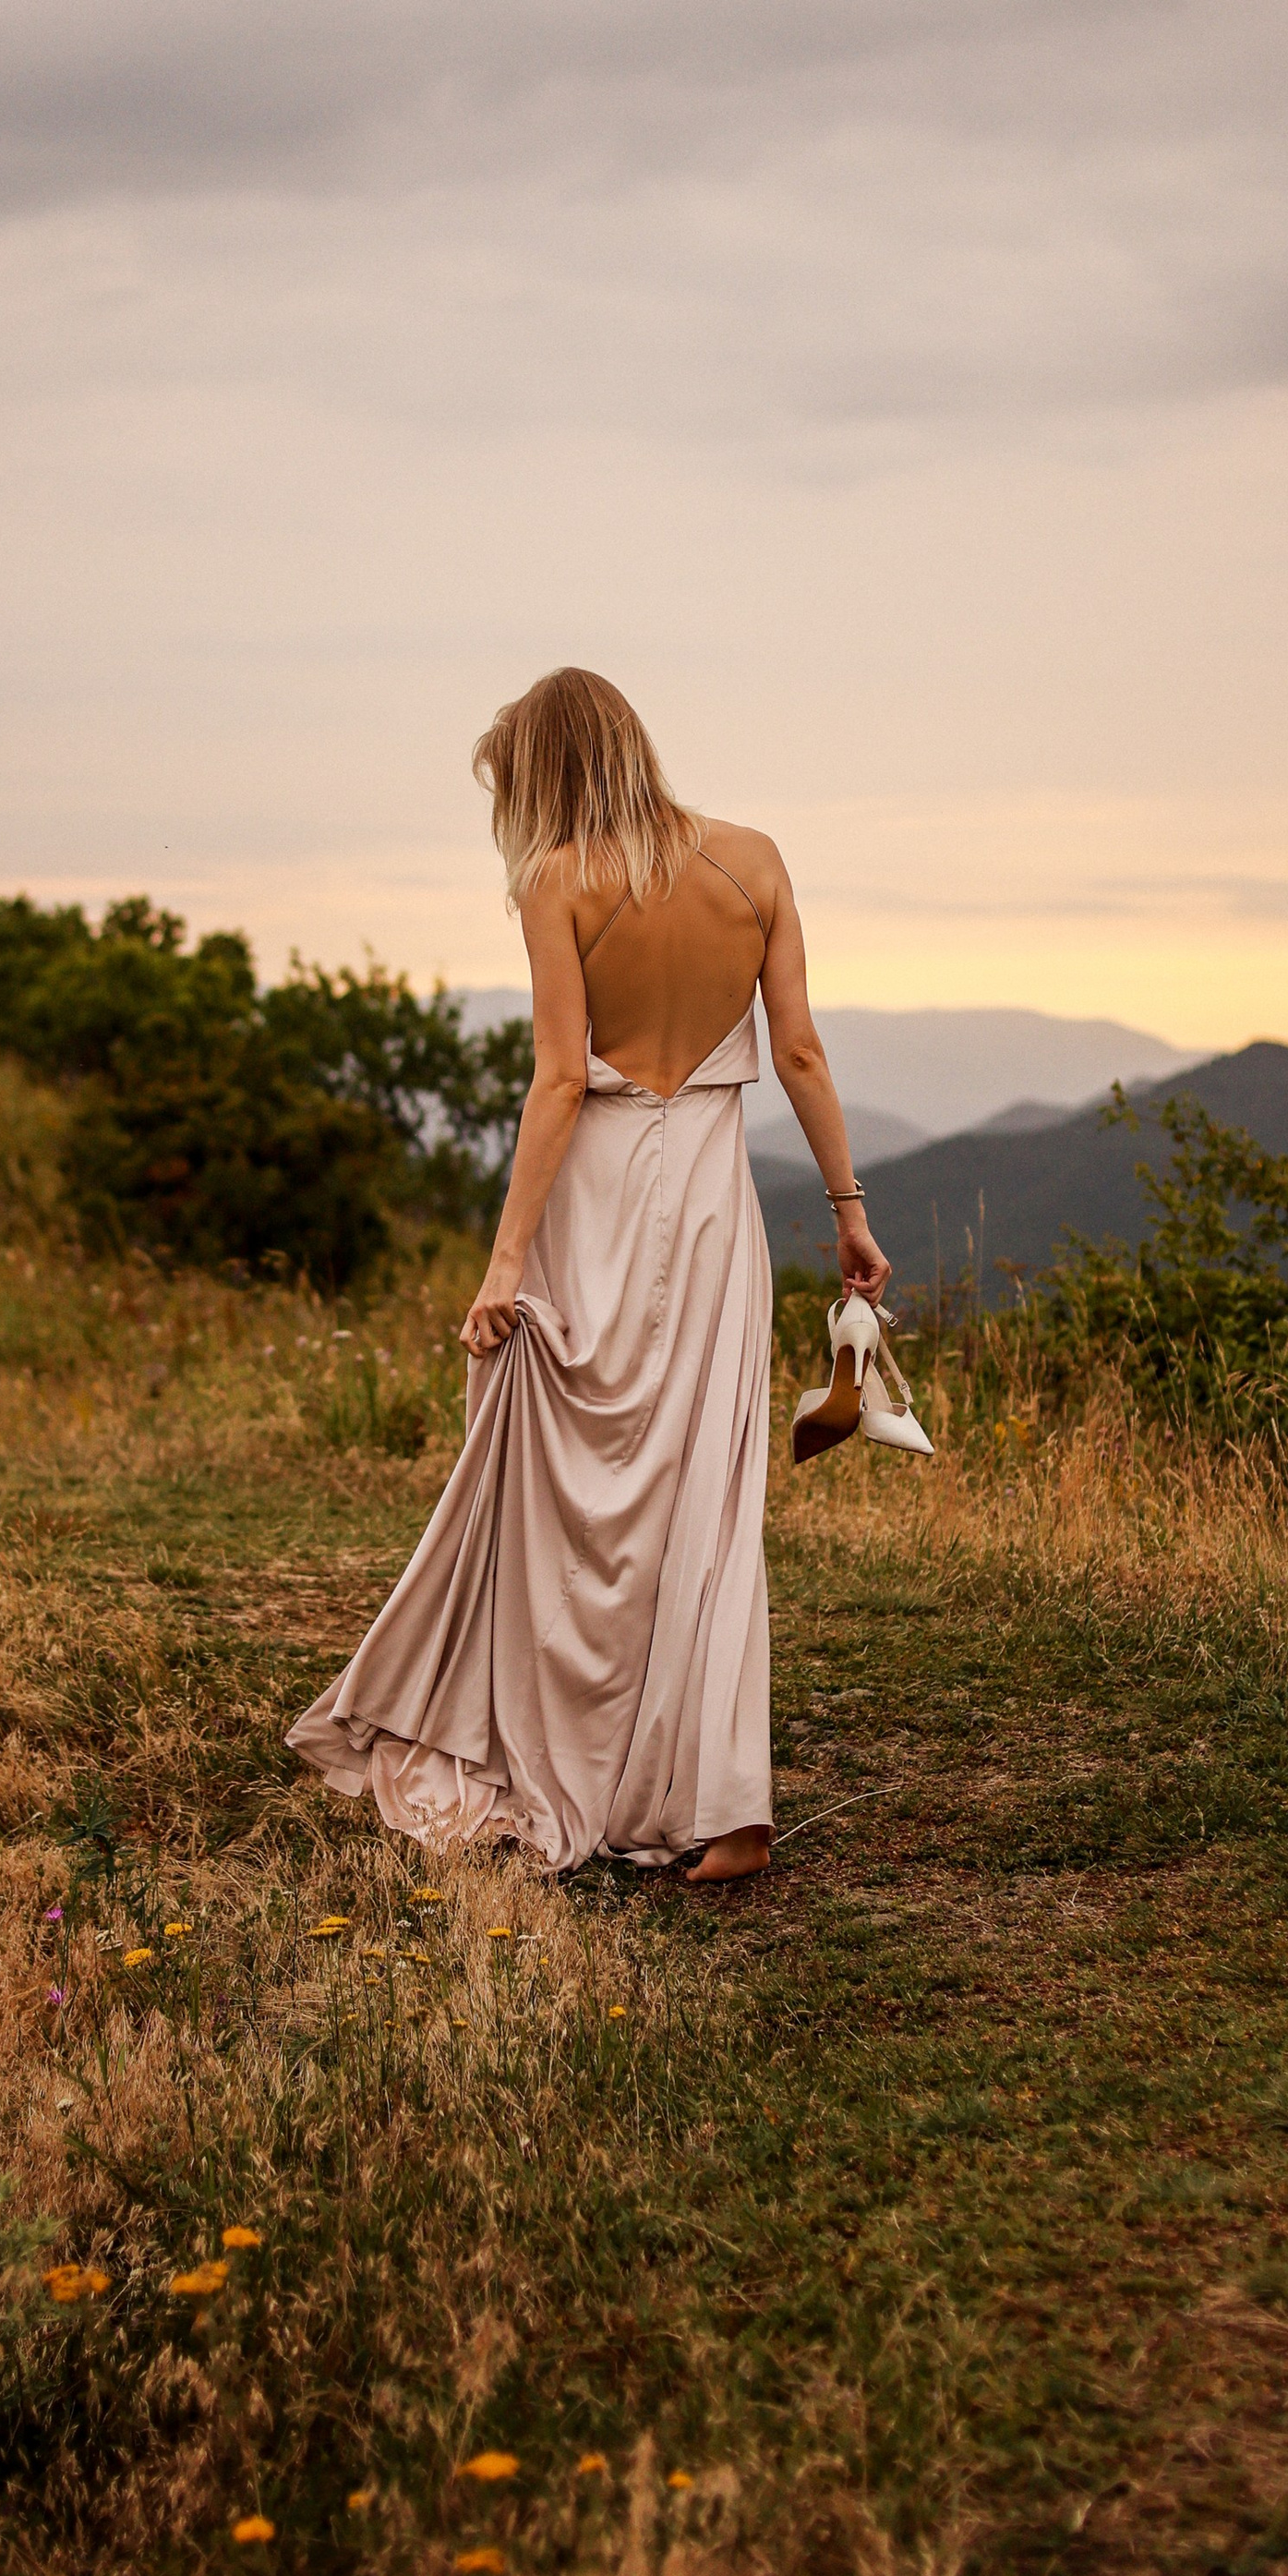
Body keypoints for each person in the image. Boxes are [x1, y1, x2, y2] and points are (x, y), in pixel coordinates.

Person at [286, 667, 891, 1883]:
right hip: (717, 1209)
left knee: (566, 1487)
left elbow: (560, 1080)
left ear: (546, 776)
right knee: (706, 1508)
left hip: (600, 1204)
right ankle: (730, 1810)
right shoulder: (756, 861)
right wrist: (848, 1212)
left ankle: (571, 1748)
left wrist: (502, 1265)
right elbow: (805, 1051)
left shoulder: (556, 880)